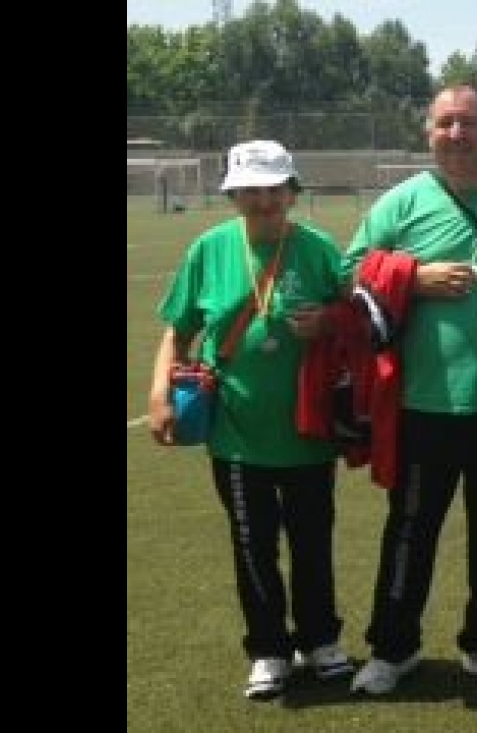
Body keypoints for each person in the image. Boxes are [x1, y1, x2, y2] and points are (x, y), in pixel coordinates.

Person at [344, 83, 477, 696]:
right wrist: (413, 277)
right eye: (444, 123)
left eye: (468, 122)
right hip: (424, 404)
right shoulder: (402, 202)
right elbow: (349, 270)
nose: (456, 134)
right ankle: (393, 649)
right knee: (411, 530)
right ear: (428, 133)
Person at [146, 139, 355, 701]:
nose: (263, 200)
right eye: (251, 190)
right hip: (236, 435)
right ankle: (268, 649)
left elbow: (357, 317)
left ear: (291, 191)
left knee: (313, 541)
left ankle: (320, 641)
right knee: (251, 544)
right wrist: (159, 393)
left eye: (273, 189)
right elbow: (177, 332)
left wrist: (330, 320)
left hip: (309, 433)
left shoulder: (317, 249)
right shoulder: (209, 249)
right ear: (234, 194)